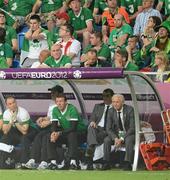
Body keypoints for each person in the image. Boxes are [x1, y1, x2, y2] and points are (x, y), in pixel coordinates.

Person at [24, 85, 64, 170]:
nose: (52, 94)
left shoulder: (63, 104)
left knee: (46, 136)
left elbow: (62, 119)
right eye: (51, 92)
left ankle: (44, 161)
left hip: (60, 128)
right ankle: (33, 160)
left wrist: (48, 122)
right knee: (39, 135)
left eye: (54, 92)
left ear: (60, 93)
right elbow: (50, 116)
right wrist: (42, 118)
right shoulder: (52, 104)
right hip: (50, 127)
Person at [46, 93, 87, 170]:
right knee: (50, 136)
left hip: (80, 134)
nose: (59, 103)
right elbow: (54, 125)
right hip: (67, 133)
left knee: (72, 134)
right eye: (57, 101)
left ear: (66, 102)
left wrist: (59, 133)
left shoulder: (72, 109)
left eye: (61, 101)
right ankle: (53, 162)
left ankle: (73, 162)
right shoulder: (55, 109)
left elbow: (73, 127)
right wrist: (53, 133)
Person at [0, 96, 38, 166]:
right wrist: (11, 122)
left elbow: (24, 131)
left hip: (30, 130)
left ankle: (24, 162)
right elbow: (5, 131)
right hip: (17, 130)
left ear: (16, 102)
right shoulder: (6, 113)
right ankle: (3, 161)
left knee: (24, 138)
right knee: (5, 138)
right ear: (7, 105)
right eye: (10, 104)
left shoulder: (23, 112)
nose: (13, 105)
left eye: (14, 102)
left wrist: (16, 121)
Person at [102, 94, 135, 170]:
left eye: (117, 102)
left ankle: (128, 163)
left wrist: (122, 138)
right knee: (106, 140)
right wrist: (115, 138)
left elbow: (132, 128)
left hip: (128, 133)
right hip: (116, 134)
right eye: (113, 102)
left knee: (129, 140)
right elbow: (108, 128)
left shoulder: (130, 109)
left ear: (122, 102)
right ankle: (106, 162)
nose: (115, 104)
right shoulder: (110, 111)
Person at [85, 88, 114, 170]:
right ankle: (92, 145)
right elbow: (91, 119)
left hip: (108, 130)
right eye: (103, 96)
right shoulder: (98, 106)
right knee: (91, 128)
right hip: (97, 129)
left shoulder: (115, 108)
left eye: (107, 96)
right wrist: (92, 122)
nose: (105, 98)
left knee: (92, 136)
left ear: (112, 96)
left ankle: (89, 160)